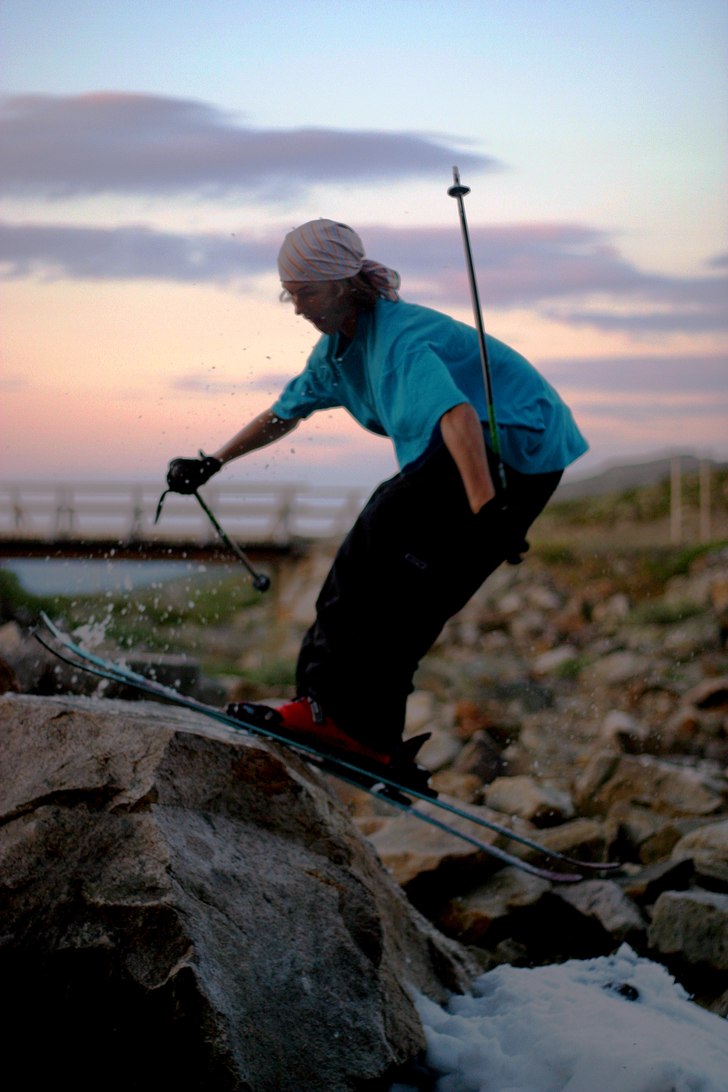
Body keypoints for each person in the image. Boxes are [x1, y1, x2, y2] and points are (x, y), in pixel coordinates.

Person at [166, 218, 588, 788]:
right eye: (290, 295)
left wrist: (487, 510)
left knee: (371, 548)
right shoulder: (337, 352)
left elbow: (457, 416)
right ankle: (372, 740)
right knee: (412, 603)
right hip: (520, 464)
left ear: (341, 284)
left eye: (305, 293)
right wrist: (213, 461)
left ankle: (321, 711)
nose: (296, 308)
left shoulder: (398, 342)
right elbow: (284, 412)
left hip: (504, 444)